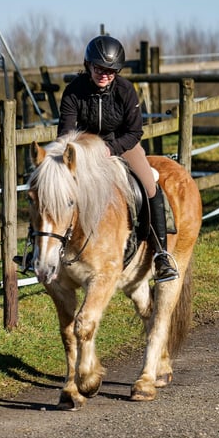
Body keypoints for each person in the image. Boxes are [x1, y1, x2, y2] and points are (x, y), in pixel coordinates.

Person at [55, 35, 178, 283]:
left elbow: (135, 132)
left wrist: (110, 149)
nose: (104, 75)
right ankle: (38, 249)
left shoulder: (125, 90)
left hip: (121, 144)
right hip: (84, 149)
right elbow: (66, 134)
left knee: (149, 184)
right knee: (53, 185)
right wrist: (83, 153)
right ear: (88, 65)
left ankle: (161, 255)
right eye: (99, 68)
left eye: (111, 71)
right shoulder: (74, 91)